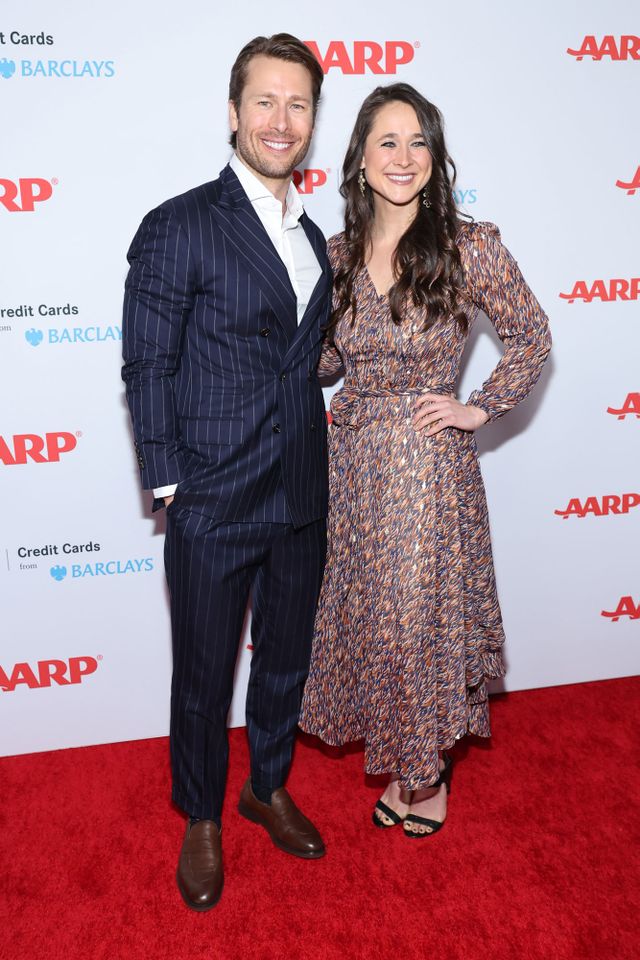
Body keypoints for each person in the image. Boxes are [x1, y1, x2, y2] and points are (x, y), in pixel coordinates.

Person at [299, 83, 551, 838]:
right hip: (352, 463)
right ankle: (405, 753)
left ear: (435, 159)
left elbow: (532, 335)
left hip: (428, 468)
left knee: (419, 622)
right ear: (361, 160)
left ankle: (425, 770)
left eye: (419, 143)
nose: (403, 157)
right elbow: (329, 364)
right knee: (375, 619)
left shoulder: (471, 245)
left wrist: (478, 407)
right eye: (387, 141)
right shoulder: (336, 254)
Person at [122, 34, 332, 911]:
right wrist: (173, 486)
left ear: (313, 121)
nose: (281, 121)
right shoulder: (180, 223)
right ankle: (202, 813)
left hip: (300, 488)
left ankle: (267, 784)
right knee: (205, 674)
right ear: (235, 111)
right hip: (213, 494)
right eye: (265, 101)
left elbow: (296, 355)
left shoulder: (314, 232)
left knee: (284, 660)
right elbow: (147, 366)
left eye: (299, 105)